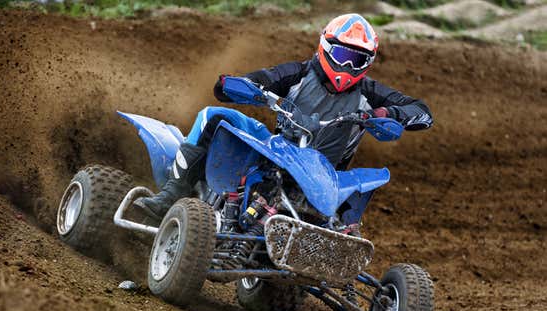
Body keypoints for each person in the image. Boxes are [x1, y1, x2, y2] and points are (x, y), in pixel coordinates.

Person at [135, 13, 433, 224]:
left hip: (325, 178)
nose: (345, 65)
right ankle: (172, 194)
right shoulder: (299, 74)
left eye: (355, 59)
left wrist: (386, 114)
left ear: (367, 63)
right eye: (341, 54)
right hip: (275, 156)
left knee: (363, 188)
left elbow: (422, 112)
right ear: (326, 47)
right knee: (214, 117)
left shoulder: (369, 93)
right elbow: (258, 80)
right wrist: (248, 88)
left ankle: (341, 245)